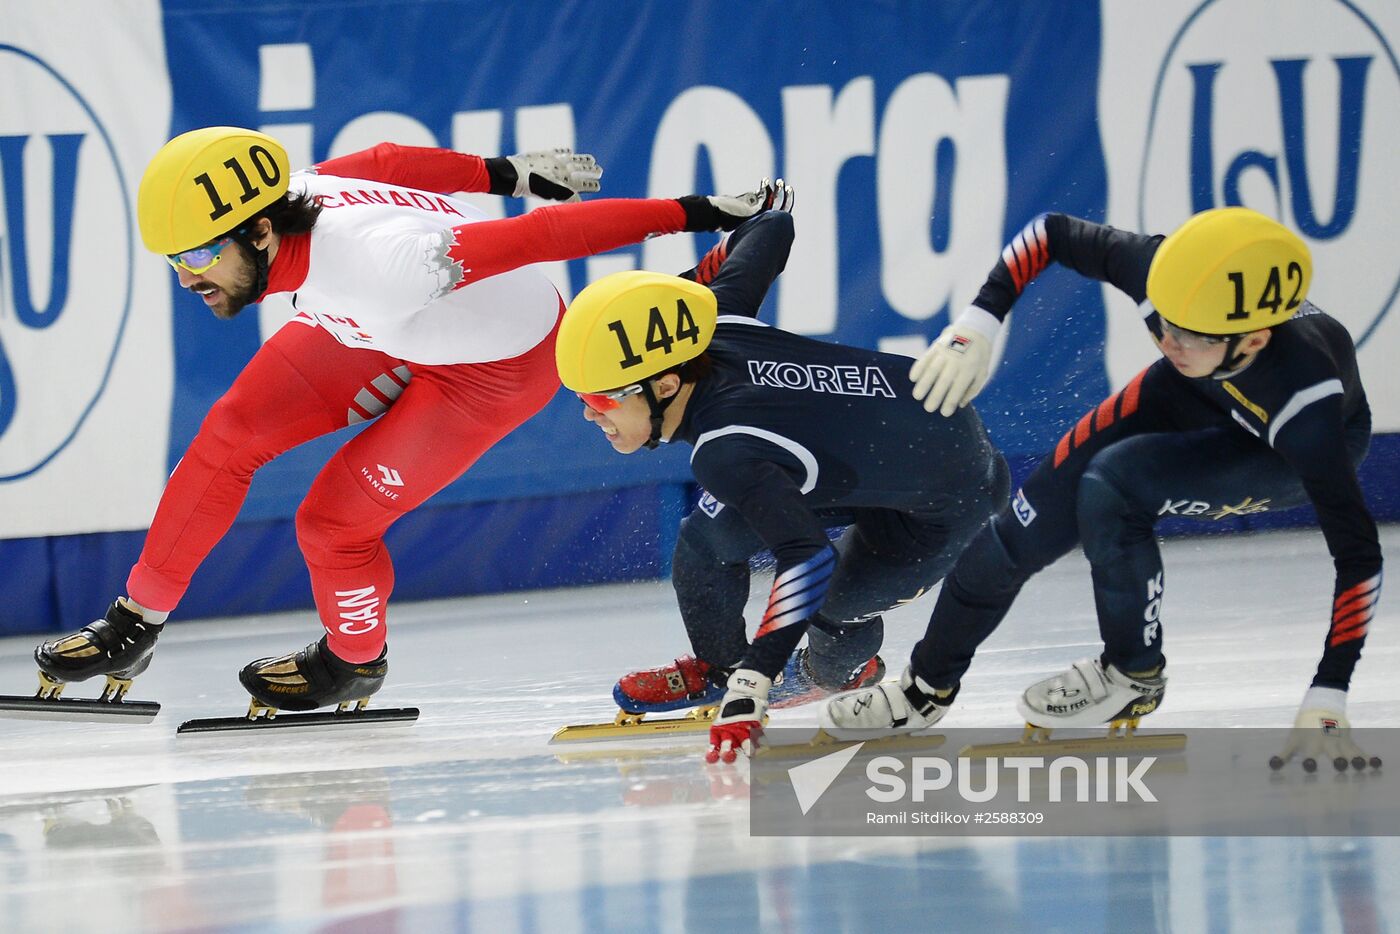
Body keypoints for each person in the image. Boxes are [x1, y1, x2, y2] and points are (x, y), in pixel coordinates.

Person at [32, 126, 780, 716]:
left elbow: (545, 237)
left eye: (198, 254)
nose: (187, 277)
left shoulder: (380, 265)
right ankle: (134, 624)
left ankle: (354, 660)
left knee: (331, 524)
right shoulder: (295, 197)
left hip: (492, 366)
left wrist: (706, 213)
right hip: (383, 324)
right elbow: (386, 161)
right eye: (172, 260)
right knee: (228, 435)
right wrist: (507, 173)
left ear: (259, 233)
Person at [825, 207, 1382, 769]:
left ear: (1254, 340)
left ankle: (1133, 674)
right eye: (1163, 322)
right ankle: (925, 689)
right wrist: (979, 322)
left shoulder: (1306, 401)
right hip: (1193, 391)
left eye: (1189, 333)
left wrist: (1328, 695)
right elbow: (1049, 232)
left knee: (1116, 480)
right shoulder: (1163, 275)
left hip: (1273, 453)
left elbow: (1359, 557)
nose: (1169, 340)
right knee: (1012, 535)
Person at [555, 192, 1010, 762]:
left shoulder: (726, 448)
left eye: (600, 399)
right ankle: (717, 668)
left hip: (948, 498)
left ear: (665, 385)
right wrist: (675, 300)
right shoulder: (714, 318)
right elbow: (770, 225)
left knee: (834, 605)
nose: (588, 415)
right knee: (707, 538)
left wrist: (757, 680)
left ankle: (836, 672)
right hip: (874, 446)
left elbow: (807, 558)